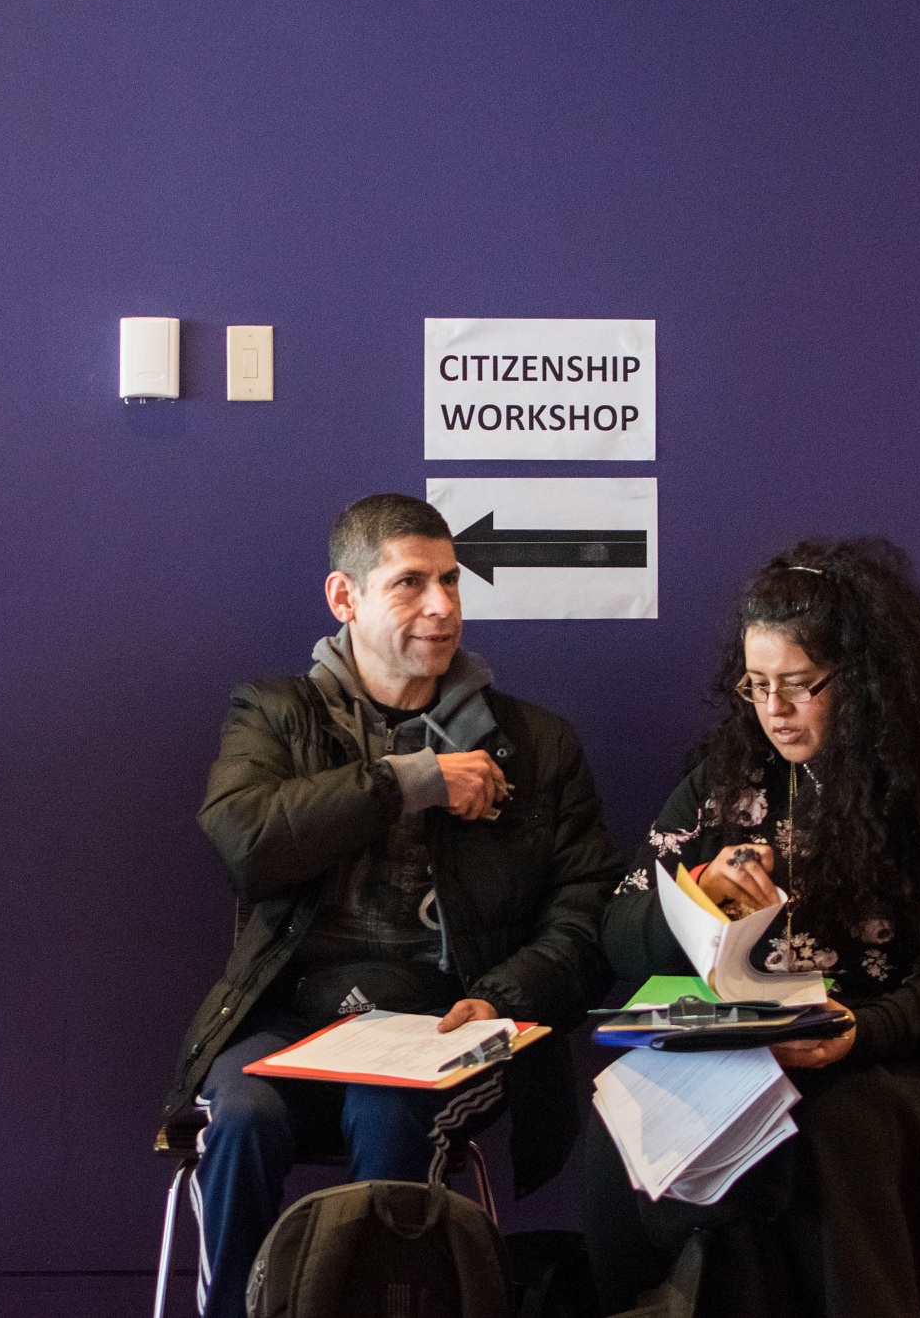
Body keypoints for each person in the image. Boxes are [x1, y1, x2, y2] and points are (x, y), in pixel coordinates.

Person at [161, 493, 621, 1318]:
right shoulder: (274, 713)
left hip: (444, 1024)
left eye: (450, 581)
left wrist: (503, 1000)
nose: (442, 607)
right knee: (240, 1115)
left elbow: (585, 915)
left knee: (388, 1103)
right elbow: (244, 839)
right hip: (289, 1018)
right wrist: (415, 780)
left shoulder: (536, 742)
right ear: (346, 599)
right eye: (410, 583)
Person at [589, 538, 920, 1318]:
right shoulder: (729, 780)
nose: (773, 710)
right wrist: (700, 896)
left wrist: (861, 1030)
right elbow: (620, 930)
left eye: (798, 685)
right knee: (616, 1119)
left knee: (834, 1125)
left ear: (863, 681)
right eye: (756, 685)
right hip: (762, 1041)